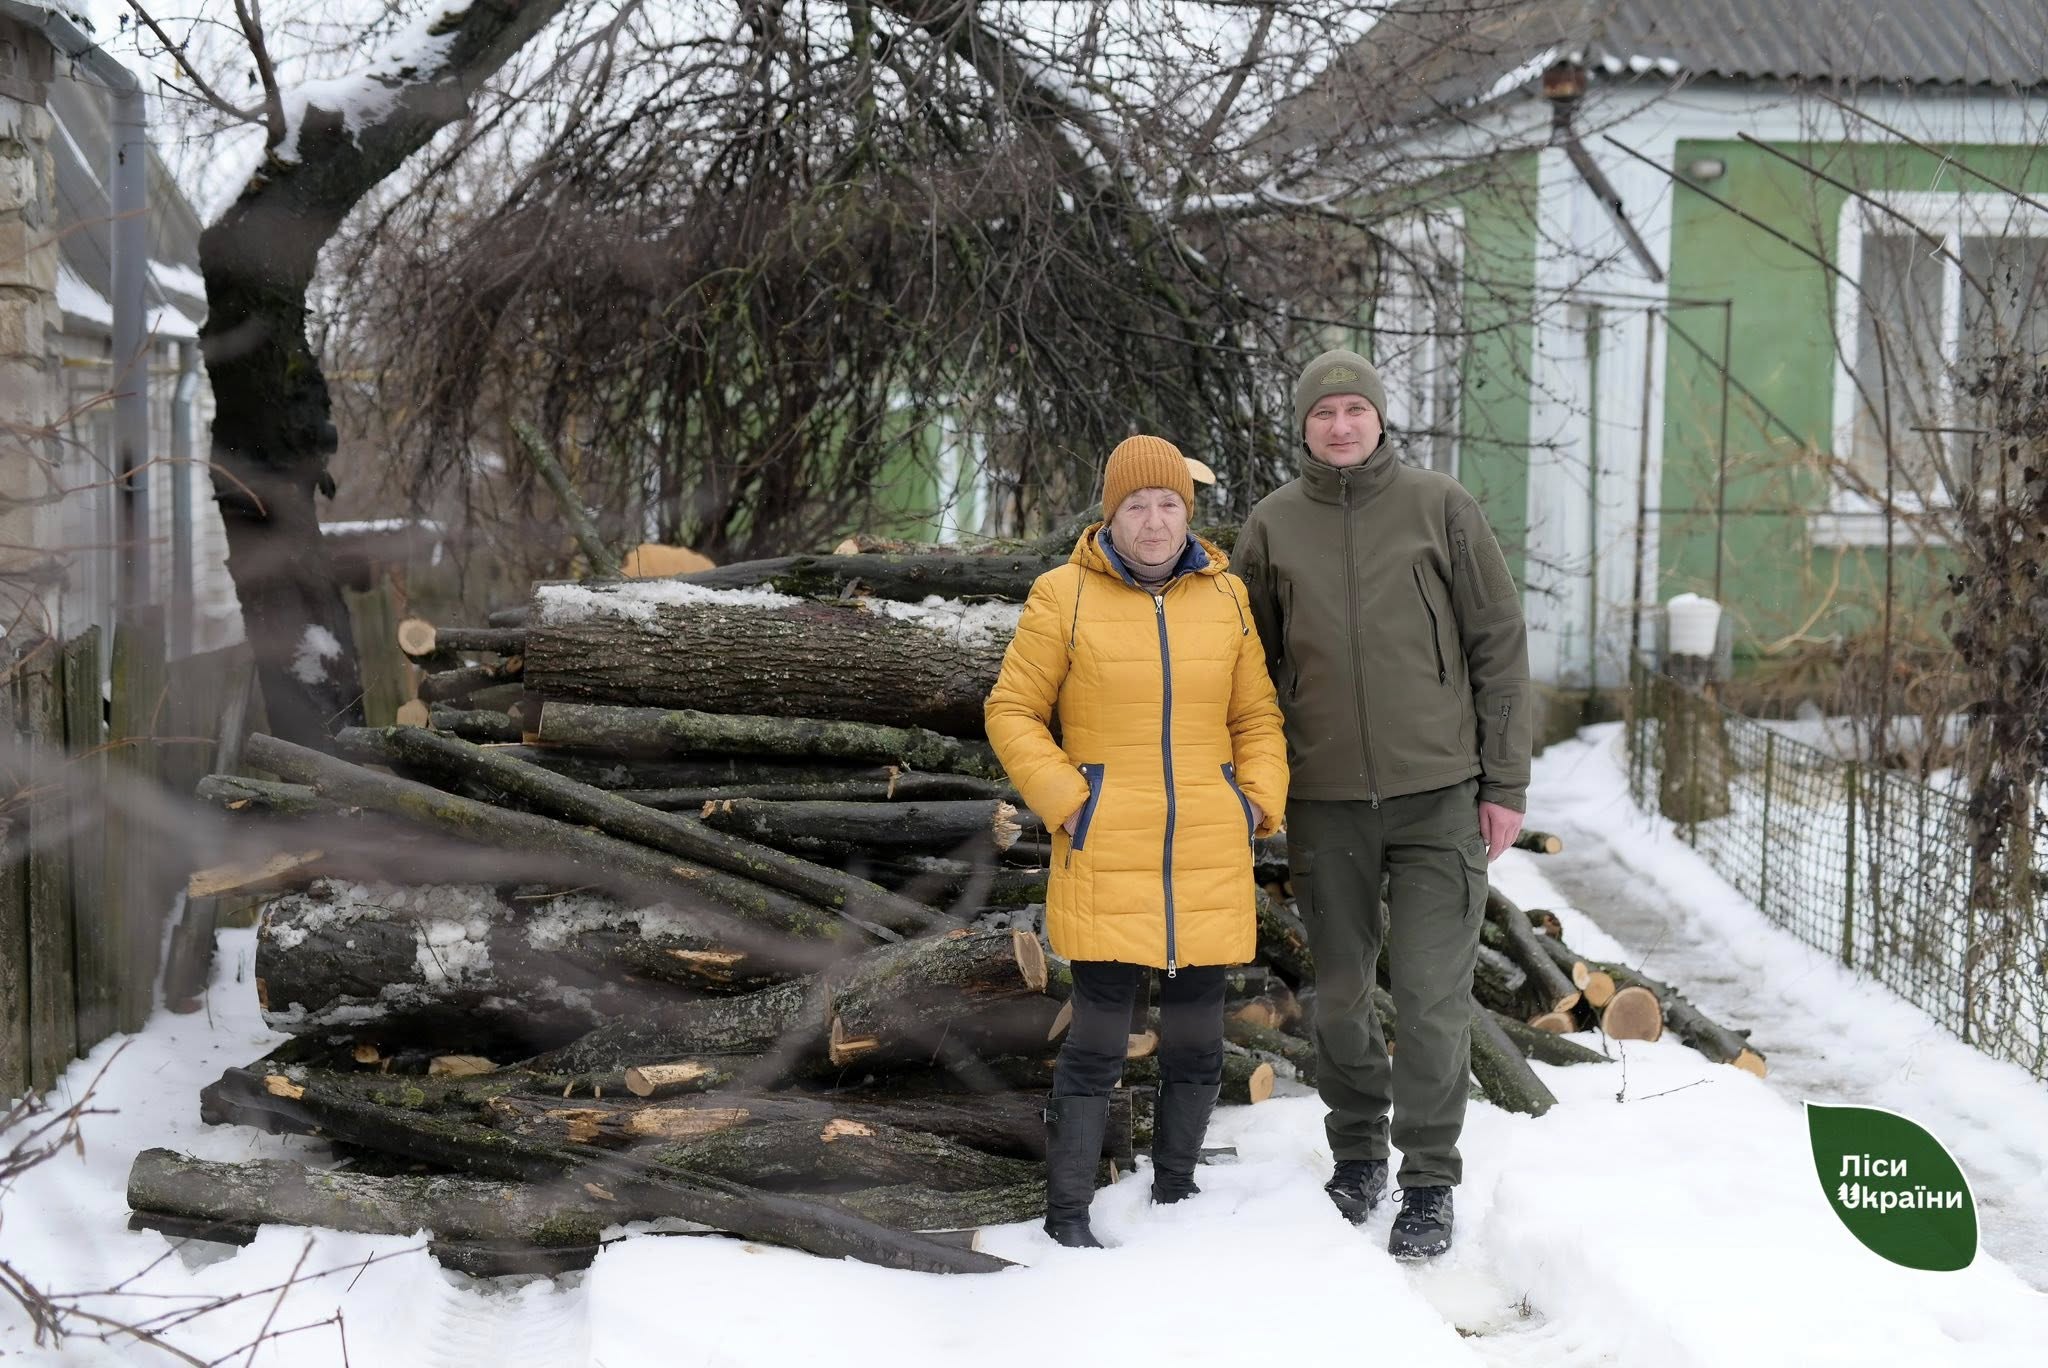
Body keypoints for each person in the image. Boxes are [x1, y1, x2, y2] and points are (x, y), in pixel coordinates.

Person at [1236, 350, 1530, 1260]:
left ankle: (1430, 1179)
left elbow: (1497, 641)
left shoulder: (1441, 507)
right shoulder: (1273, 526)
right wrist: (1261, 782)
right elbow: (1249, 666)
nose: (1340, 426)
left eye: (1355, 409)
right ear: (1304, 425)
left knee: (1436, 998)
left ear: (1379, 418)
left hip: (1439, 797)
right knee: (1340, 996)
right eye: (1324, 412)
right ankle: (1357, 1150)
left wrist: (1504, 782)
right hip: (1326, 802)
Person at [985, 434, 1288, 1249]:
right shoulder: (1063, 595)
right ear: (1108, 515)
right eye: (1134, 506)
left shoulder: (1224, 599)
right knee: (1095, 1042)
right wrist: (1070, 805)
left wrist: (1254, 799)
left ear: (1185, 513)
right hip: (1106, 848)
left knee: (1196, 1041)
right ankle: (1068, 1220)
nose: (1152, 523)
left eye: (1167, 505)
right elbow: (1011, 711)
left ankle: (1178, 1199)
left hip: (1206, 849)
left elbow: (1255, 715)